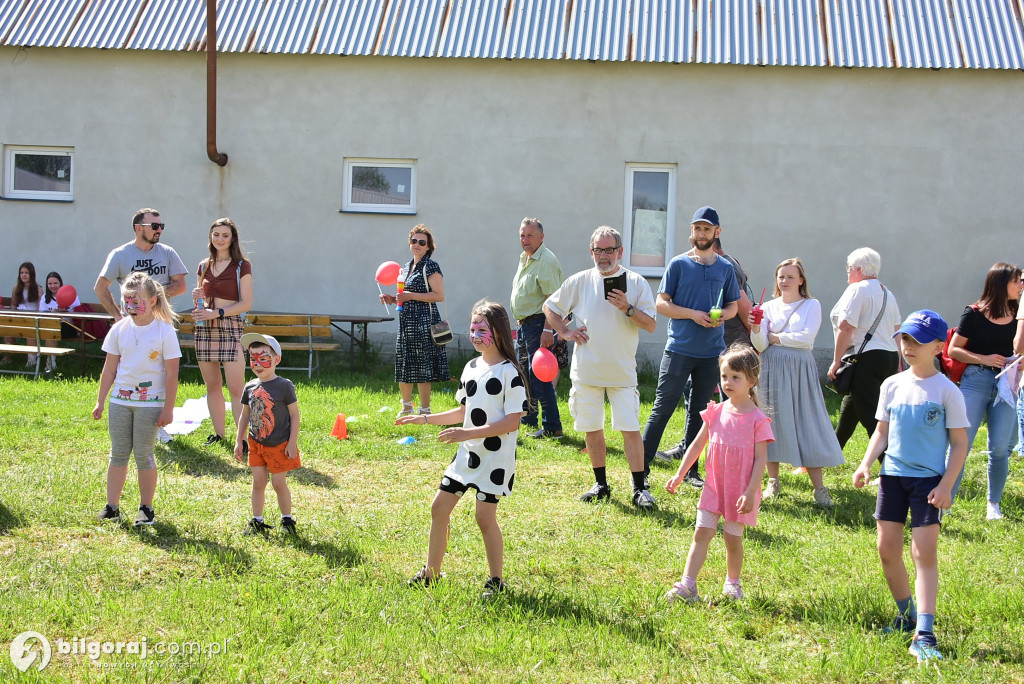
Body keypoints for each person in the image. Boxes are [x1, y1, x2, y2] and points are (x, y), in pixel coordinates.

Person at [852, 310, 969, 663]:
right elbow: (882, 432)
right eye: (904, 339)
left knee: (923, 554)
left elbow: (961, 444)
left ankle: (926, 632)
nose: (908, 346)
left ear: (938, 346)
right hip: (892, 478)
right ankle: (907, 616)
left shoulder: (947, 391)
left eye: (917, 341)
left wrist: (947, 485)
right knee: (887, 549)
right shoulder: (892, 385)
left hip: (928, 482)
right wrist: (865, 463)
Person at [398, 300, 529, 597]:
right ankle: (431, 572)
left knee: (484, 519)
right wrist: (426, 418)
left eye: (482, 328)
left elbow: (511, 423)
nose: (475, 334)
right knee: (439, 508)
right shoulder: (471, 367)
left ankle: (496, 580)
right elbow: (462, 412)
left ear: (498, 332)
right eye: (472, 328)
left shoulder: (511, 373)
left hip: (494, 459)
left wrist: (466, 432)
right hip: (467, 456)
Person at [543, 226, 658, 509]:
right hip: (587, 371)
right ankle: (601, 483)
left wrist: (627, 308)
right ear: (590, 251)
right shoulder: (579, 281)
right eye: (598, 250)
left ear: (620, 251)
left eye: (609, 250)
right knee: (592, 427)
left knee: (630, 429)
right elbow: (550, 306)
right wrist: (565, 332)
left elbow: (652, 325)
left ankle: (640, 488)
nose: (603, 256)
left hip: (621, 372)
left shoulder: (636, 282)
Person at [664, 344, 773, 602]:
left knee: (732, 540)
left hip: (739, 491)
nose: (728, 382)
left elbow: (760, 461)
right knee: (701, 532)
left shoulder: (757, 420)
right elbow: (697, 444)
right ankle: (688, 585)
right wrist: (680, 474)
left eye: (736, 377)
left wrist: (749, 492)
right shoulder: (716, 411)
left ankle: (733, 584)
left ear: (751, 381)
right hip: (714, 486)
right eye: (725, 376)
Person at [642, 206, 740, 489]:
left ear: (717, 233)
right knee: (663, 407)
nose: (701, 233)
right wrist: (693, 314)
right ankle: (642, 469)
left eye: (707, 229)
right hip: (680, 349)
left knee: (701, 410)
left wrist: (725, 315)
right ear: (691, 232)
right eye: (697, 228)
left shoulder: (725, 268)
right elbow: (661, 304)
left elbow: (734, 304)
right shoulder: (678, 264)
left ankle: (691, 472)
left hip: (712, 351)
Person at [751, 258, 845, 507]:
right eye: (781, 276)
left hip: (799, 368)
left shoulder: (811, 305)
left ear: (801, 280)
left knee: (806, 421)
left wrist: (775, 337)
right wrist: (756, 326)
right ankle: (773, 481)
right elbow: (760, 345)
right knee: (771, 421)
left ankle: (820, 488)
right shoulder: (768, 306)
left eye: (790, 277)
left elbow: (806, 338)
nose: (784, 281)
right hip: (770, 366)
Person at [93, 272, 181, 527]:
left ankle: (146, 508)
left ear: (153, 301)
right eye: (126, 300)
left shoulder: (164, 331)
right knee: (118, 453)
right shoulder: (119, 329)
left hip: (150, 404)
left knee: (144, 454)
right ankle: (112, 507)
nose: (130, 306)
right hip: (120, 402)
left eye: (136, 301)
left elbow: (172, 373)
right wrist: (101, 400)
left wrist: (168, 408)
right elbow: (109, 369)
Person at [946, 262, 1022, 519]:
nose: (1021, 286)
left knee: (1000, 448)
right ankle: (946, 500)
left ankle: (993, 505)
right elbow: (953, 350)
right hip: (976, 380)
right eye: (1017, 281)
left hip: (1007, 384)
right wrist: (984, 359)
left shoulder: (1018, 313)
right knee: (961, 445)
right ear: (1001, 284)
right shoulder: (974, 313)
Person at [828, 247, 902, 449]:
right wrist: (899, 364)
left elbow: (846, 326)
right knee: (851, 410)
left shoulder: (857, 289)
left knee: (870, 416)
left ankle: (890, 468)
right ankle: (832, 454)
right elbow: (897, 330)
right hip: (889, 357)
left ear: (859, 269)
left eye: (849, 267)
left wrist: (836, 360)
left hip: (866, 358)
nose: (847, 270)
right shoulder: (887, 293)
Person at [190, 218, 254, 447]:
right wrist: (197, 299)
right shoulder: (203, 265)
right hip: (205, 328)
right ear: (211, 237)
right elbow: (201, 301)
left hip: (230, 327)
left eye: (225, 235)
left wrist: (215, 313)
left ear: (232, 238)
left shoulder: (241, 266)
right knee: (212, 386)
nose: (220, 239)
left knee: (236, 388)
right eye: (216, 234)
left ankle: (242, 439)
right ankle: (219, 434)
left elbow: (246, 303)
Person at [379, 225, 450, 417]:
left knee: (422, 365)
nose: (417, 245)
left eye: (422, 242)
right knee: (404, 363)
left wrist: (410, 296)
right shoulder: (406, 267)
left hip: (424, 323)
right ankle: (406, 406)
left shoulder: (431, 266)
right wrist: (392, 299)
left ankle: (425, 409)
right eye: (414, 241)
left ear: (428, 247)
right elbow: (405, 296)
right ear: (409, 243)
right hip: (406, 324)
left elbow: (439, 295)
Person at [235, 333, 301, 536]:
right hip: (256, 444)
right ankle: (257, 520)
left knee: (278, 483)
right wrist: (239, 440)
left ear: (276, 360)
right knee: (258, 483)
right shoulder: (250, 386)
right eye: (253, 359)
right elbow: (245, 415)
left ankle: (287, 520)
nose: (257, 364)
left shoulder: (284, 386)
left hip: (279, 444)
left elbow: (295, 415)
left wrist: (292, 442)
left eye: (263, 358)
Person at [510, 217, 564, 438]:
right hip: (525, 324)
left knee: (540, 374)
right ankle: (529, 415)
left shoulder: (546, 261)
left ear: (541, 237)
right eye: (522, 235)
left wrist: (547, 330)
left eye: (530, 235)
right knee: (524, 373)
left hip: (539, 325)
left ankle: (552, 426)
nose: (525, 239)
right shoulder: (526, 258)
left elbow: (554, 300)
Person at [94, 208, 187, 322]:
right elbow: (100, 288)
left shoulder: (168, 252)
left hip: (161, 322)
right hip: (132, 323)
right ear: (138, 228)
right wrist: (117, 315)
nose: (159, 230)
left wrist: (149, 294)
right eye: (154, 226)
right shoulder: (119, 254)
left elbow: (181, 286)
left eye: (161, 226)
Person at [39, 271, 82, 373]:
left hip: (69, 326)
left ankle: (50, 362)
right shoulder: (45, 298)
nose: (53, 286)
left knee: (52, 331)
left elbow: (78, 314)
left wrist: (65, 311)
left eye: (55, 283)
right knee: (50, 331)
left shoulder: (71, 295)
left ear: (60, 283)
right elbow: (42, 315)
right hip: (51, 326)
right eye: (50, 284)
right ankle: (50, 362)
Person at [4, 262, 45, 367]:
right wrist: (15, 312)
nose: (24, 275)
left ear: (32, 274)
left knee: (29, 331)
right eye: (21, 272)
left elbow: (41, 308)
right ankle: (8, 357)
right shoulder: (16, 288)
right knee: (7, 330)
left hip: (33, 318)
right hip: (19, 317)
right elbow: (13, 304)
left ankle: (31, 360)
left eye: (26, 272)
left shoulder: (38, 289)